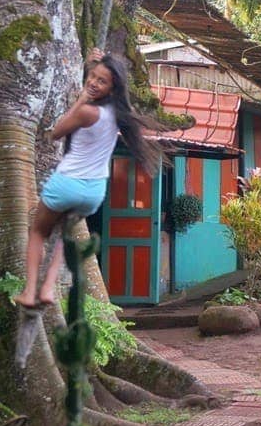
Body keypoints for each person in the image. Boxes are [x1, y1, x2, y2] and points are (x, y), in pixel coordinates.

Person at [15, 48, 164, 310]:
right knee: (64, 232)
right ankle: (48, 288)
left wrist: (81, 98)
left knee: (38, 231)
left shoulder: (87, 112)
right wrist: (95, 63)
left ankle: (29, 292)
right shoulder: (118, 117)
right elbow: (104, 78)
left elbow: (56, 132)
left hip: (67, 183)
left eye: (101, 81)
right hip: (94, 193)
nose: (93, 83)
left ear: (112, 88)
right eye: (92, 77)